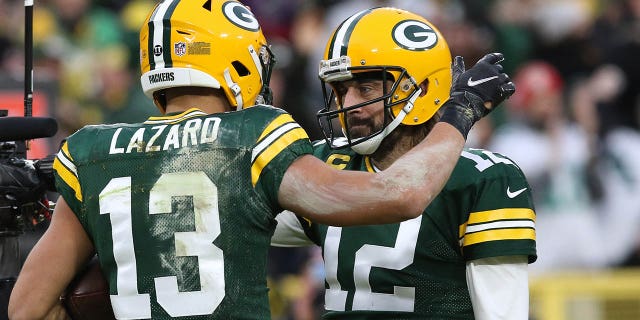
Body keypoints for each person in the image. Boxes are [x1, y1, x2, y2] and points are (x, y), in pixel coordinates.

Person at [8, 1, 509, 319]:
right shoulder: (253, 135)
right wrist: (460, 113)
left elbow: (26, 309)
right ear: (239, 61)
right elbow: (401, 194)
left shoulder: (91, 151)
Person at [271, 7, 535, 319]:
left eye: (365, 88)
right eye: (341, 90)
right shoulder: (327, 163)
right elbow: (234, 219)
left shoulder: (482, 180)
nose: (349, 105)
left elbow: (502, 314)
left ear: (421, 88)